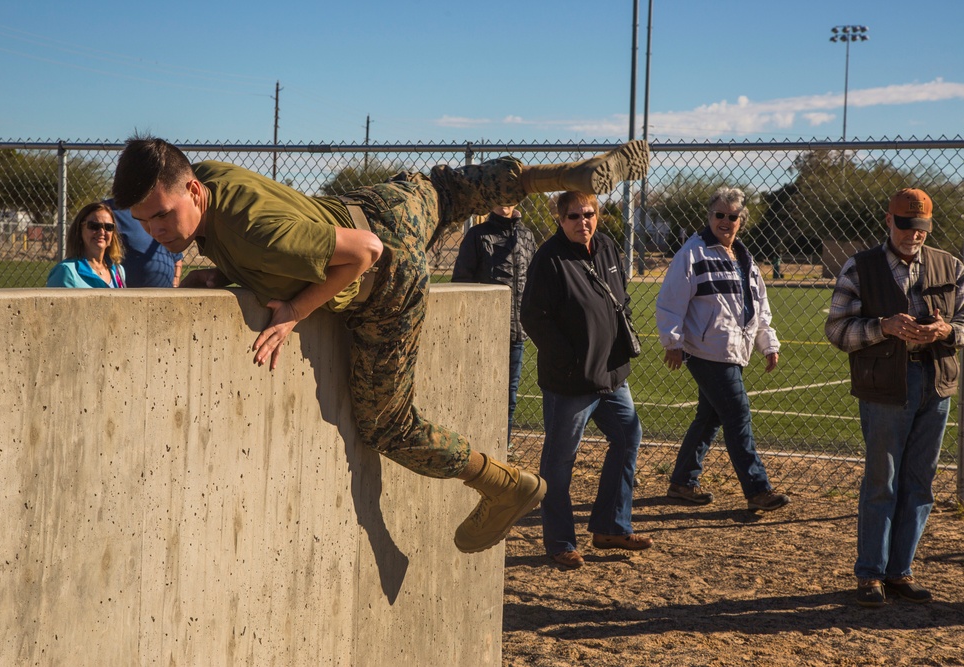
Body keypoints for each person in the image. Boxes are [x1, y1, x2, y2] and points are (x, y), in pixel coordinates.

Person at [112, 135, 650, 554]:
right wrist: (225, 278)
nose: (156, 228)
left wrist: (296, 310)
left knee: (385, 424)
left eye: (163, 213)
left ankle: (503, 484)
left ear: (195, 192)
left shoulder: (256, 230)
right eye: (143, 221)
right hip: (386, 201)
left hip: (387, 276)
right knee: (449, 188)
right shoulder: (205, 177)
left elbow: (366, 253)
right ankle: (559, 177)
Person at [825, 187, 964, 607]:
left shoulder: (951, 265)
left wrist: (946, 331)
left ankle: (900, 572)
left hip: (936, 383)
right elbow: (836, 329)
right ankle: (870, 574)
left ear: (929, 226)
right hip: (886, 386)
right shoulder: (860, 267)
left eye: (919, 227)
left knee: (920, 483)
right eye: (904, 225)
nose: (912, 235)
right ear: (888, 221)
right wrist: (882, 327)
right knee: (882, 482)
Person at [520, 191, 650, 569]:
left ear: (599, 215)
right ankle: (560, 542)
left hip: (612, 374)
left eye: (589, 214)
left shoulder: (607, 246)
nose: (583, 222)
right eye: (573, 216)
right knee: (560, 461)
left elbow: (620, 298)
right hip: (570, 382)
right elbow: (534, 317)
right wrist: (569, 358)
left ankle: (611, 526)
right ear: (560, 220)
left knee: (628, 437)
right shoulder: (549, 258)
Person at [655, 187, 789, 512]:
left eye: (733, 216)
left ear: (741, 220)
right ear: (709, 216)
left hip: (733, 351)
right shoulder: (693, 252)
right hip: (706, 351)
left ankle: (682, 483)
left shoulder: (745, 259)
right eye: (720, 215)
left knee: (709, 416)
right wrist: (672, 342)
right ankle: (758, 489)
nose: (726, 221)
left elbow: (759, 308)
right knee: (737, 414)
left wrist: (767, 344)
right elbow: (671, 302)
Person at [451, 204, 537, 447]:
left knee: (508, 398)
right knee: (477, 396)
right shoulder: (477, 235)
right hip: (483, 333)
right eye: (499, 194)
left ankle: (501, 449)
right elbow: (462, 282)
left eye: (510, 194)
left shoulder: (527, 236)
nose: (505, 200)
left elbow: (534, 282)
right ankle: (474, 451)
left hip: (516, 332)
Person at [46, 202, 126, 288]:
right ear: (80, 231)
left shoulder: (118, 271)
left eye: (108, 227)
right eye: (94, 226)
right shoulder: (66, 272)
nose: (102, 232)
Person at [105, 198, 183, 287]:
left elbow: (177, 257)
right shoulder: (107, 212)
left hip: (167, 294)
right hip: (130, 296)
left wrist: (175, 282)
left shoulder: (159, 207)